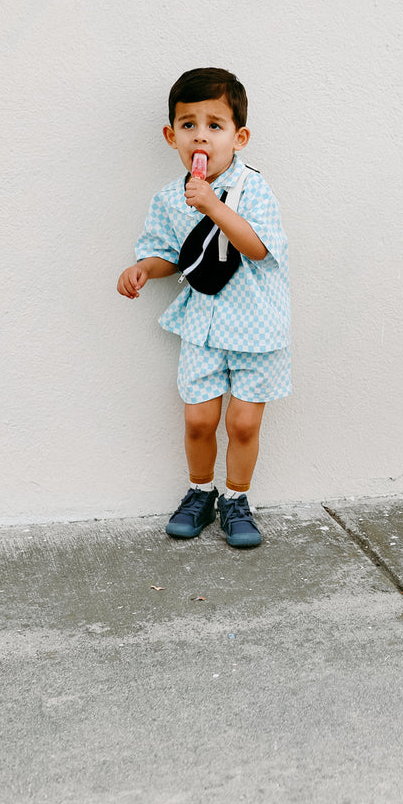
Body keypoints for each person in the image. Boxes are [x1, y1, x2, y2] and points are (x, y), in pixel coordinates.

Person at [116, 67, 291, 549]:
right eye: (189, 124)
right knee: (199, 419)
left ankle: (237, 499)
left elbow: (257, 248)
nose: (201, 136)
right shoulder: (170, 198)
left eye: (215, 125)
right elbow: (173, 254)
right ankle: (200, 493)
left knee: (242, 422)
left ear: (240, 137)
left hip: (256, 323)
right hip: (204, 324)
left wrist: (214, 205)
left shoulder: (252, 187)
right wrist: (144, 270)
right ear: (172, 135)